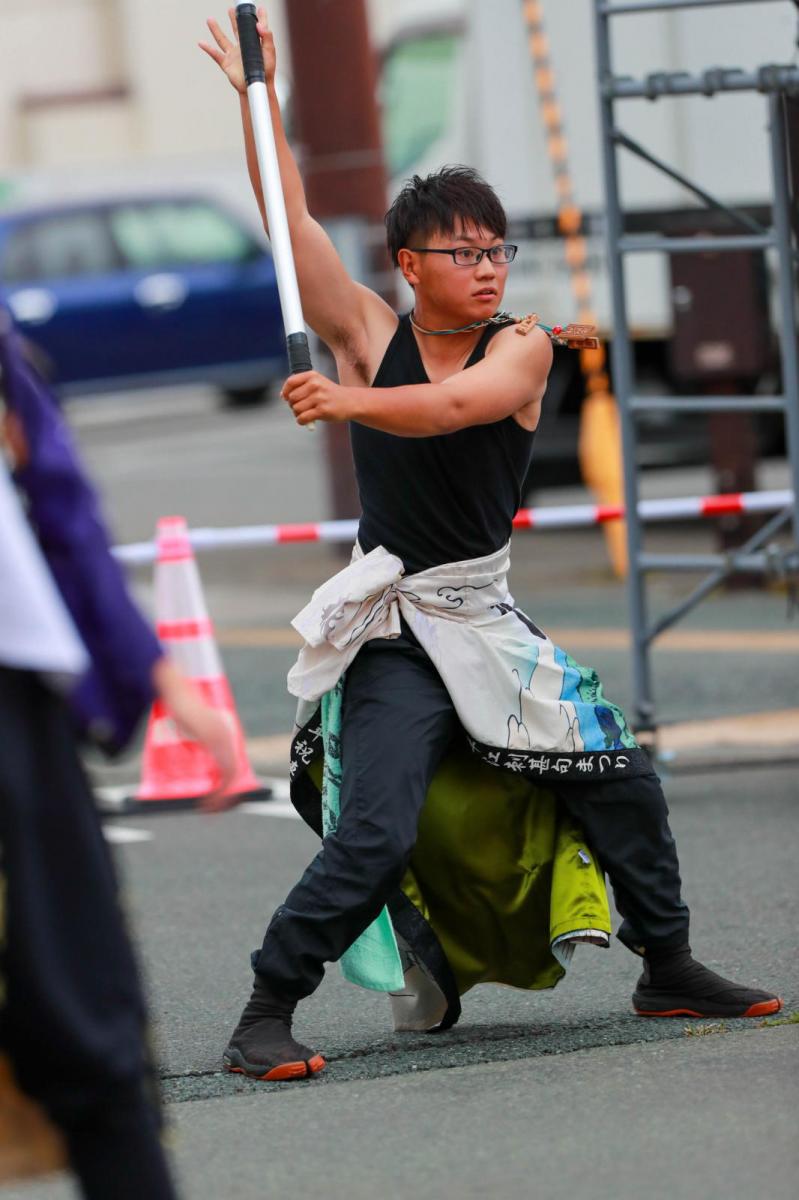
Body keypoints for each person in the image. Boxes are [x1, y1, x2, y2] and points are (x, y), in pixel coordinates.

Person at [201, 7, 781, 1082]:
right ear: (408, 265)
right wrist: (258, 100)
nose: (487, 268)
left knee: (622, 777)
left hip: (485, 615)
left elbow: (455, 408)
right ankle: (264, 1012)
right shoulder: (371, 334)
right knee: (373, 830)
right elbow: (287, 219)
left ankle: (669, 962)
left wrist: (346, 404)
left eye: (495, 250)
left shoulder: (520, 350)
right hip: (391, 627)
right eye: (461, 253)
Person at [0, 307, 237, 1196]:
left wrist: (156, 671)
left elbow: (50, 490)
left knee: (89, 1039)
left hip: (13, 704)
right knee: (87, 1038)